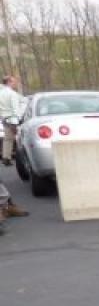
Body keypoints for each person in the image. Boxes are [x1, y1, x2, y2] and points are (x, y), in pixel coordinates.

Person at [0, 74, 29, 219]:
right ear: (9, 82)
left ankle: (6, 205)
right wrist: (16, 120)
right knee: (14, 140)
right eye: (14, 81)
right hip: (11, 118)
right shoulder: (10, 94)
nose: (16, 83)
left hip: (5, 118)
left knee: (8, 140)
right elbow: (16, 106)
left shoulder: (2, 92)